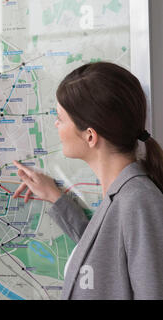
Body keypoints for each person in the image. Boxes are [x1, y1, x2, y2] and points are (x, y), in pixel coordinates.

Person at [12, 62, 163, 300]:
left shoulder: (138, 201)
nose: (55, 124)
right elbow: (105, 257)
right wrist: (57, 199)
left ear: (90, 136)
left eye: (60, 118)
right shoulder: (123, 194)